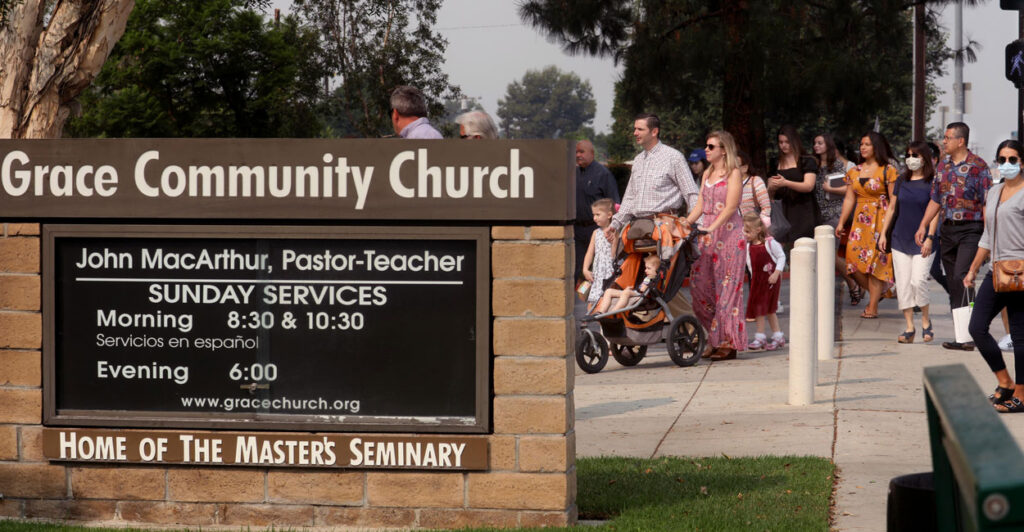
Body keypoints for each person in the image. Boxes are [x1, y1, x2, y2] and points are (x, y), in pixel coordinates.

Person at [915, 122, 993, 350]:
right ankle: (963, 337)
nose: (944, 141)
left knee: (962, 276)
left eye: (948, 138)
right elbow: (935, 200)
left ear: (961, 141)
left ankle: (973, 330)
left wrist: (988, 235)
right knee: (954, 281)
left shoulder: (979, 166)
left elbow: (987, 202)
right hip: (947, 229)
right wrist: (923, 225)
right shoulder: (943, 167)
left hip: (971, 229)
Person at [963, 139, 1024, 412]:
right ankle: (1005, 381)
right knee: (976, 327)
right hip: (996, 271)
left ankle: (1021, 395)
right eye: (1002, 160)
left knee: (1020, 335)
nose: (1007, 164)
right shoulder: (994, 192)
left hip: (1022, 272)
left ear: (1022, 162)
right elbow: (987, 236)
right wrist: (974, 268)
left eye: (1013, 159)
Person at [685, 130, 746, 360]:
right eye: (707, 146)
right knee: (700, 287)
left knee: (727, 291)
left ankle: (728, 343)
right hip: (707, 236)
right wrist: (687, 222)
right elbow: (701, 202)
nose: (707, 150)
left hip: (729, 236)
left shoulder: (733, 173)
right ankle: (715, 336)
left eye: (711, 147)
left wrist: (712, 226)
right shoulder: (708, 173)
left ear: (723, 150)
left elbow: (731, 207)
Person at [878, 141, 940, 343]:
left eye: (915, 155)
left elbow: (936, 212)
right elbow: (892, 207)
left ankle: (925, 321)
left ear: (924, 158)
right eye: (908, 155)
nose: (911, 159)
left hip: (923, 239)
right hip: (899, 238)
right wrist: (883, 233)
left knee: (918, 280)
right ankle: (909, 327)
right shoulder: (901, 180)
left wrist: (930, 237)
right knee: (903, 284)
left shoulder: (933, 181)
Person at [604, 113, 698, 243]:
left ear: (654, 131)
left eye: (640, 129)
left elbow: (691, 194)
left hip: (666, 228)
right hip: (638, 229)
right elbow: (630, 199)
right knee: (626, 263)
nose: (635, 133)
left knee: (664, 264)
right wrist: (614, 224)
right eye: (635, 129)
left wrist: (695, 225)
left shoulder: (674, 157)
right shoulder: (638, 160)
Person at [836, 131, 896, 319]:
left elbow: (894, 200)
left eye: (867, 144)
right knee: (852, 262)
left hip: (881, 219)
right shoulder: (854, 171)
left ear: (876, 146)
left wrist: (888, 226)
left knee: (876, 264)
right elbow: (848, 198)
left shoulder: (888, 170)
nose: (862, 147)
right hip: (860, 222)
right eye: (861, 144)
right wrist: (841, 222)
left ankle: (872, 307)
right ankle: (879, 292)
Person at [813, 133, 860, 305]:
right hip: (819, 214)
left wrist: (830, 188)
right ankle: (852, 282)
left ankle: (854, 282)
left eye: (820, 143)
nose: (816, 146)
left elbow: (851, 190)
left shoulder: (840, 165)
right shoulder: (814, 165)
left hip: (835, 213)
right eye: (815, 143)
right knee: (825, 255)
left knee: (829, 254)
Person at [574, 140, 620, 281]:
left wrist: (613, 228)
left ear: (592, 153)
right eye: (576, 152)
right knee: (580, 269)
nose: (578, 155)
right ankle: (582, 300)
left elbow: (615, 204)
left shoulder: (603, 174)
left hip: (599, 230)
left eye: (582, 151)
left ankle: (600, 300)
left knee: (601, 268)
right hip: (577, 230)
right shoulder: (573, 174)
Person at [767, 125, 819, 244]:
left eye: (787, 142)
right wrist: (771, 187)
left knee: (803, 246)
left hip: (803, 210)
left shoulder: (806, 161)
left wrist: (785, 182)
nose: (784, 145)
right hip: (782, 210)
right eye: (781, 142)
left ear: (794, 141)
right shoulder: (775, 162)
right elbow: (771, 195)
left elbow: (809, 186)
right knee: (780, 247)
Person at [742, 212, 786, 351]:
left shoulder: (770, 243)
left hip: (770, 280)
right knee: (759, 308)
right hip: (758, 280)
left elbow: (781, 257)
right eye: (744, 231)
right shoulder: (748, 247)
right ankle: (766, 336)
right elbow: (749, 265)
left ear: (758, 230)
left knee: (769, 308)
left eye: (748, 231)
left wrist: (777, 273)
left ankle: (772, 335)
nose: (745, 234)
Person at [593, 254, 660, 314]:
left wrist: (644, 287)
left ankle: (614, 311)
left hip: (642, 296)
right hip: (636, 292)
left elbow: (643, 290)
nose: (645, 270)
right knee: (608, 291)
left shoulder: (653, 279)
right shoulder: (647, 277)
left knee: (626, 293)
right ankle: (601, 311)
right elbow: (639, 288)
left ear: (657, 270)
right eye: (645, 268)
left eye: (649, 268)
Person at [582, 198, 617, 310]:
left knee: (605, 300)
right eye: (594, 214)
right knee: (592, 300)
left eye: (598, 214)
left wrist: (615, 238)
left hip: (608, 272)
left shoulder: (614, 233)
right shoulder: (595, 233)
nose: (594, 218)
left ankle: (603, 326)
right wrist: (585, 269)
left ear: (609, 215)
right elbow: (590, 252)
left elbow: (614, 253)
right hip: (597, 273)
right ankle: (590, 321)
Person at [737, 149, 771, 228]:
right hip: (735, 230)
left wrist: (756, 228)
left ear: (745, 167)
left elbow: (766, 209)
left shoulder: (756, 181)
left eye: (735, 166)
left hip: (754, 231)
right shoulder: (728, 185)